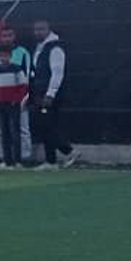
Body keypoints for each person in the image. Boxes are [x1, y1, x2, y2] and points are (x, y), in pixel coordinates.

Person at [28, 18, 77, 170]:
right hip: (38, 92)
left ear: (48, 29)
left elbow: (57, 73)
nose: (38, 32)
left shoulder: (55, 48)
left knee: (46, 125)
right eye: (36, 30)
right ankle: (51, 161)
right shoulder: (40, 47)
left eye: (41, 29)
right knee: (43, 126)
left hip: (49, 95)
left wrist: (51, 94)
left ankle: (70, 151)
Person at [0, 27, 30, 169]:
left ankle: (22, 158)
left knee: (19, 129)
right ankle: (5, 158)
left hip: (17, 102)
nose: (6, 38)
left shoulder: (22, 55)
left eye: (9, 35)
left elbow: (25, 80)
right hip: (0, 102)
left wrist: (20, 99)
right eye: (4, 36)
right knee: (2, 130)